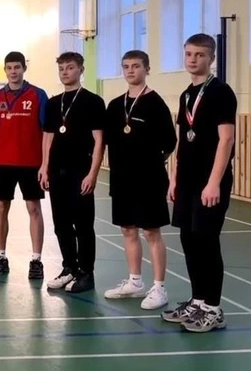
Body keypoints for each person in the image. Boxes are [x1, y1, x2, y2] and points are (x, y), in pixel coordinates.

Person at [162, 33, 236, 333]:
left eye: (200, 55)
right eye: (189, 54)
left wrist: (214, 182)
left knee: (206, 241)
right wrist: (174, 177)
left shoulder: (221, 92)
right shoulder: (186, 95)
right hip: (187, 181)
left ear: (211, 58)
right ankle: (198, 300)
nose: (193, 59)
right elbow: (183, 139)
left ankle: (213, 309)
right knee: (189, 240)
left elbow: (226, 139)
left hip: (210, 181)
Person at [102, 51, 175, 309]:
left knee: (151, 232)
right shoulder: (114, 105)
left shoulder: (156, 103)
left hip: (149, 180)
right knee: (128, 230)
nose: (130, 70)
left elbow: (170, 143)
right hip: (121, 180)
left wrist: (150, 163)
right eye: (126, 66)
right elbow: (107, 141)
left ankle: (159, 288)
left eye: (136, 66)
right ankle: (135, 282)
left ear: (147, 69)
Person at [40, 52, 105, 293]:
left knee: (84, 225)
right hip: (57, 172)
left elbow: (99, 141)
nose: (65, 72)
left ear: (80, 70)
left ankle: (86, 273)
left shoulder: (93, 102)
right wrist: (44, 167)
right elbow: (48, 137)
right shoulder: (53, 103)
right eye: (61, 69)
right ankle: (69, 268)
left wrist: (92, 173)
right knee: (61, 224)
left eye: (70, 67)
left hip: (81, 172)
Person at [0, 51, 49, 280]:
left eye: (17, 67)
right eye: (9, 68)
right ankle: (0, 257)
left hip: (31, 163)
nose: (13, 71)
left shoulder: (38, 95)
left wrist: (45, 164)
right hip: (2, 163)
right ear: (5, 70)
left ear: (24, 68)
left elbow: (46, 132)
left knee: (34, 209)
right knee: (1, 209)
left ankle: (36, 260)